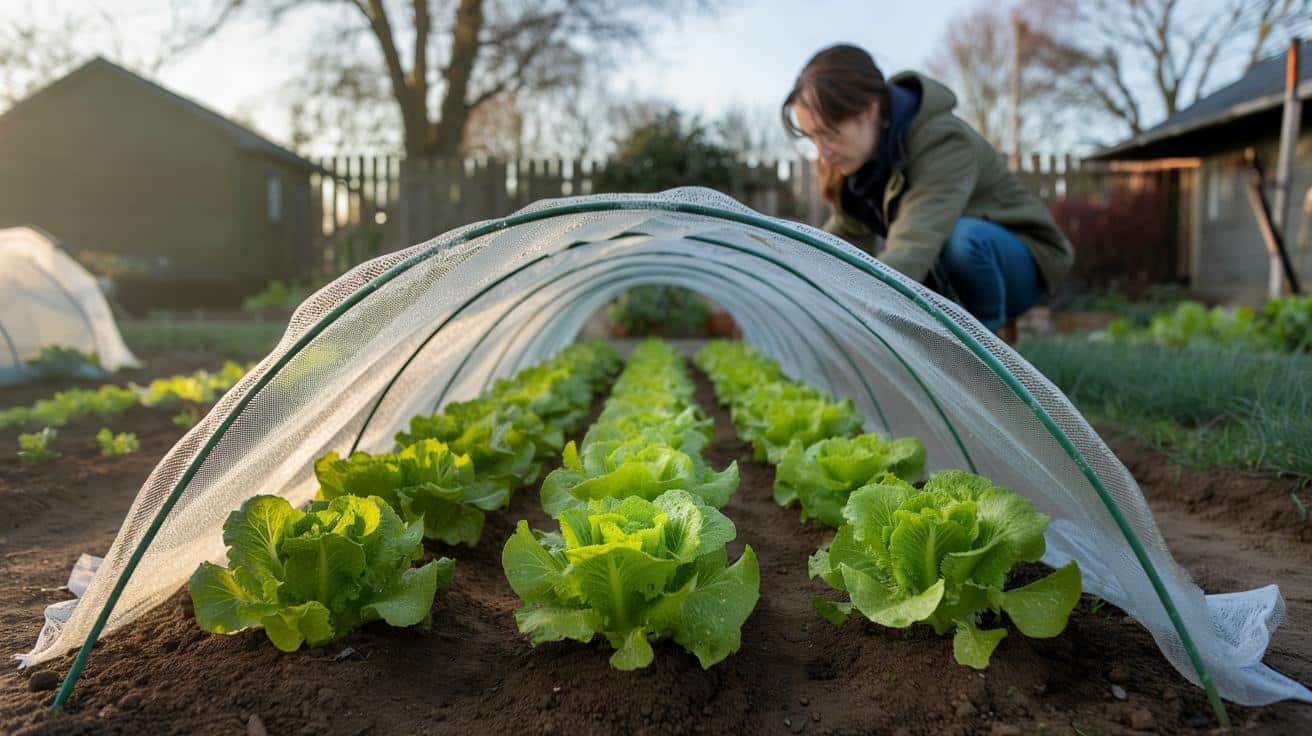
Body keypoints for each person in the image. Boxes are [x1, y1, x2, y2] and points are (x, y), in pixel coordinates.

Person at [781, 43, 1073, 337]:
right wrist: (796, 279)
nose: (823, 152)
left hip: (1022, 259)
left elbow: (913, 246)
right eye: (813, 138)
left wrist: (856, 322)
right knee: (944, 255)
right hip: (944, 261)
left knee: (962, 242)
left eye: (829, 134)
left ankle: (987, 360)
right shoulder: (861, 166)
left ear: (869, 109)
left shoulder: (942, 141)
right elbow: (845, 238)